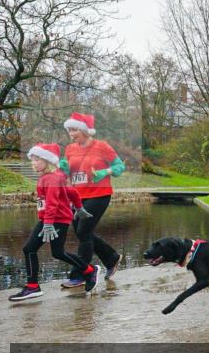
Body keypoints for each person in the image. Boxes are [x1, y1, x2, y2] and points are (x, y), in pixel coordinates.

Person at [10, 143, 97, 302]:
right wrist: (78, 207)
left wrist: (48, 223)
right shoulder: (55, 176)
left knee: (29, 249)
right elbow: (72, 191)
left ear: (48, 161)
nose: (33, 163)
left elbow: (52, 204)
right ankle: (89, 271)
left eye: (37, 160)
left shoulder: (51, 178)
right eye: (32, 160)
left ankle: (32, 287)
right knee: (57, 252)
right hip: (54, 219)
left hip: (54, 220)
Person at [58, 112, 124, 289]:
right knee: (80, 232)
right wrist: (63, 169)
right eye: (69, 130)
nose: (71, 134)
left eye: (74, 130)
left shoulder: (102, 146)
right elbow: (67, 171)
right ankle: (111, 258)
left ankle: (80, 274)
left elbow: (119, 166)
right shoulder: (70, 149)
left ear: (85, 130)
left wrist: (105, 172)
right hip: (77, 195)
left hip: (99, 194)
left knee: (84, 231)